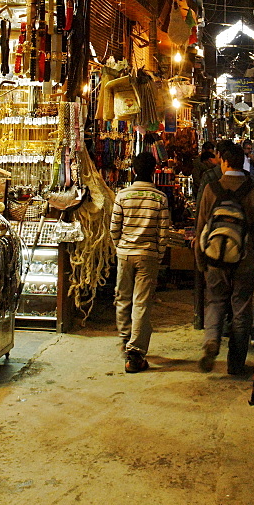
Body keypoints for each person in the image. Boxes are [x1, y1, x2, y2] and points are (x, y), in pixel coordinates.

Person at [194, 143, 254, 374]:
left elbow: (201, 227)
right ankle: (235, 363)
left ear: (224, 162)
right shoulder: (252, 190)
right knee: (241, 307)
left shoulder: (211, 189)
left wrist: (201, 260)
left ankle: (211, 341)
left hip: (215, 256)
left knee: (215, 301)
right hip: (243, 258)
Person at [110, 152, 170, 373]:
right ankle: (135, 351)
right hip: (148, 255)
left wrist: (120, 247)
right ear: (153, 171)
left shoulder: (122, 196)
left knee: (122, 297)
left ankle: (126, 338)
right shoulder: (159, 198)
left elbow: (114, 228)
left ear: (133, 171)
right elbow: (163, 232)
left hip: (125, 253)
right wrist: (159, 254)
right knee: (141, 302)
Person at [196, 140, 233, 213]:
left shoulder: (209, 175)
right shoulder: (247, 178)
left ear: (218, 154)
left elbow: (201, 205)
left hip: (214, 221)